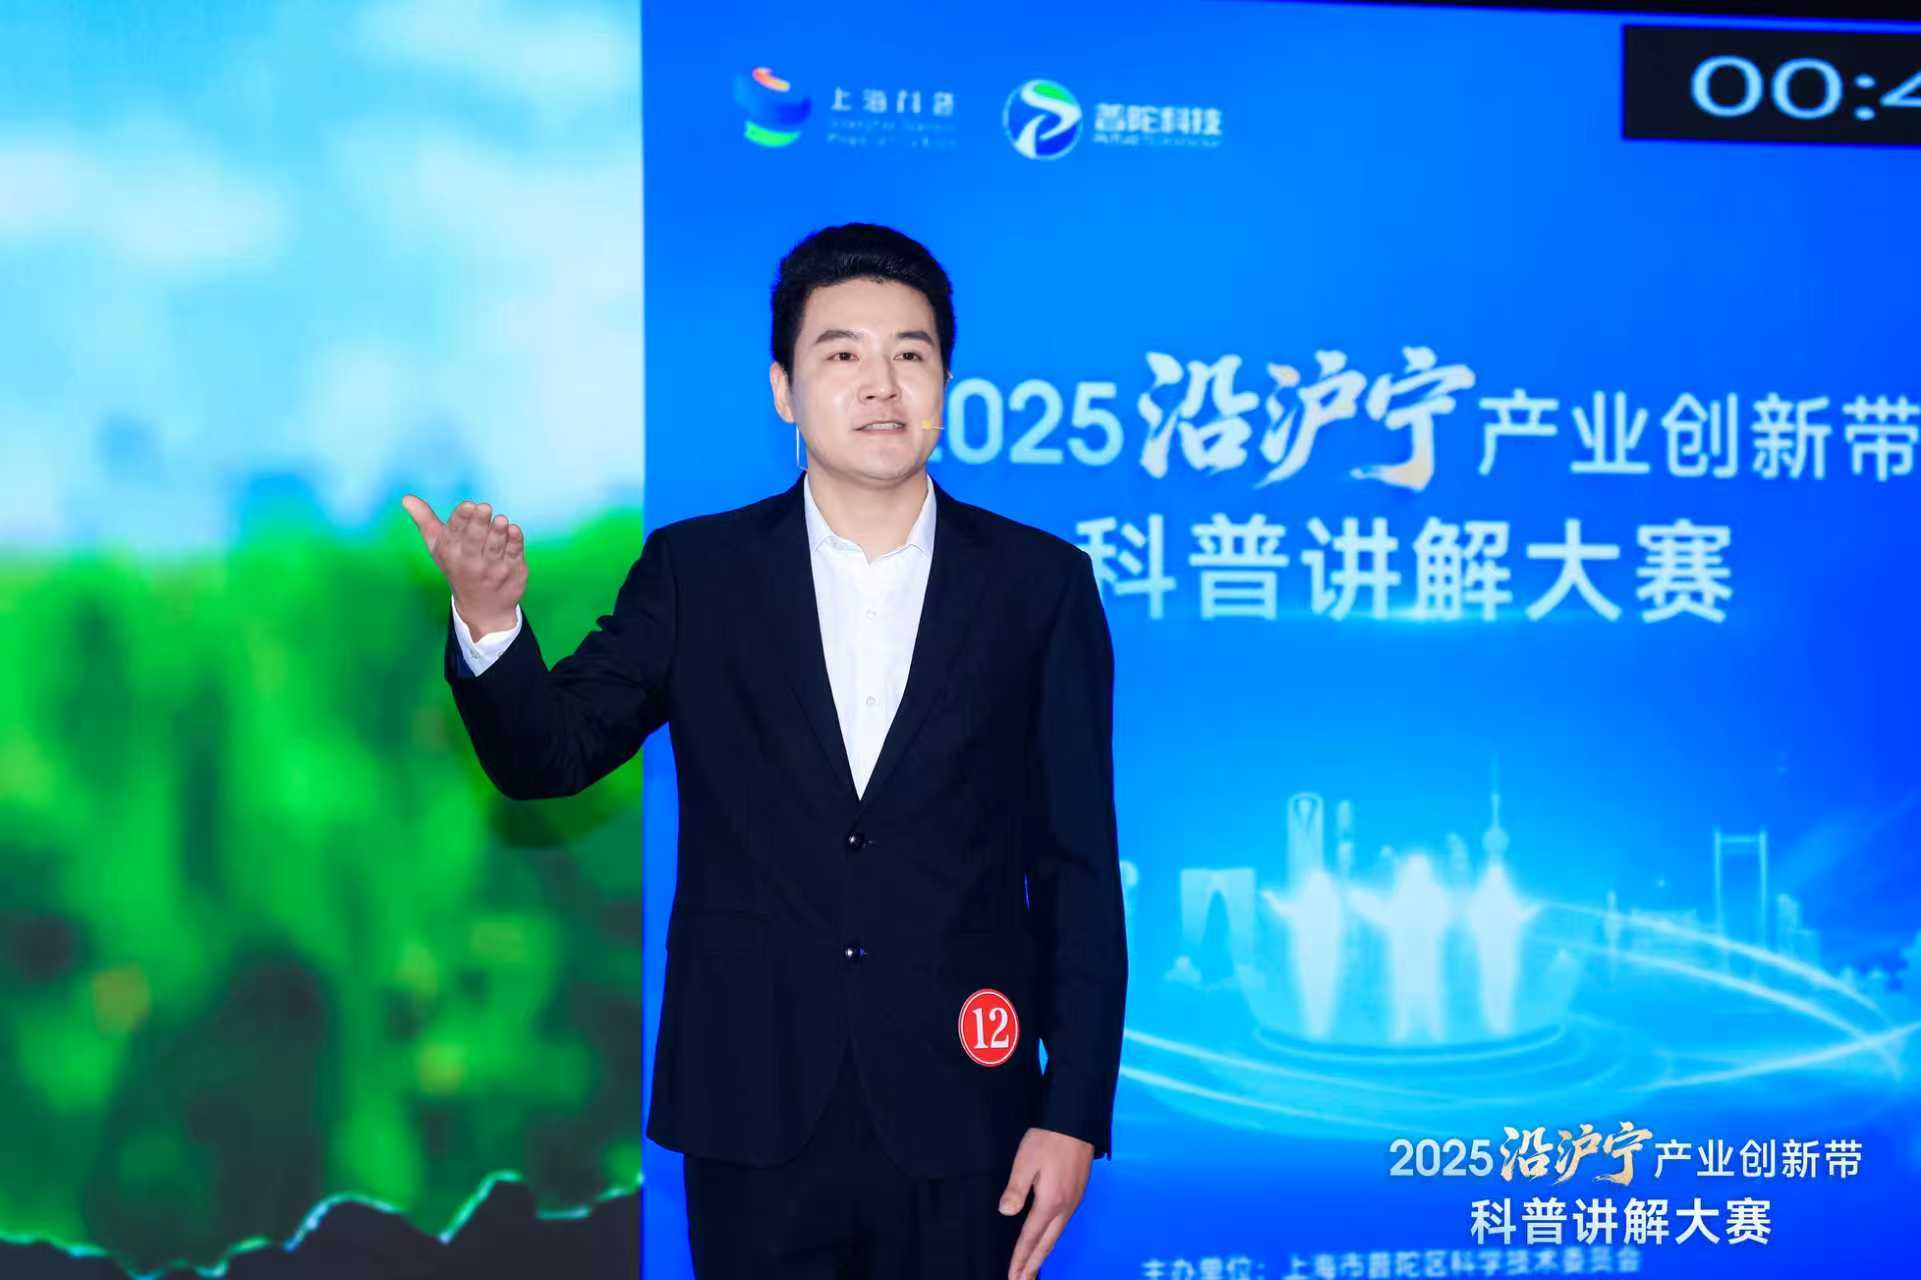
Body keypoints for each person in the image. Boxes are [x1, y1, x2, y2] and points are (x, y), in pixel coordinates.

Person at [401, 223, 1127, 1279]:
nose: (880, 383)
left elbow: (1077, 869)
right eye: (841, 353)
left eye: (911, 353)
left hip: (965, 1107)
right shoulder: (698, 573)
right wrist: (488, 618)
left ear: (946, 382)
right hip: (752, 1103)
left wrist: (1072, 1113)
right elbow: (547, 756)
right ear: (784, 388)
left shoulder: (1039, 586)